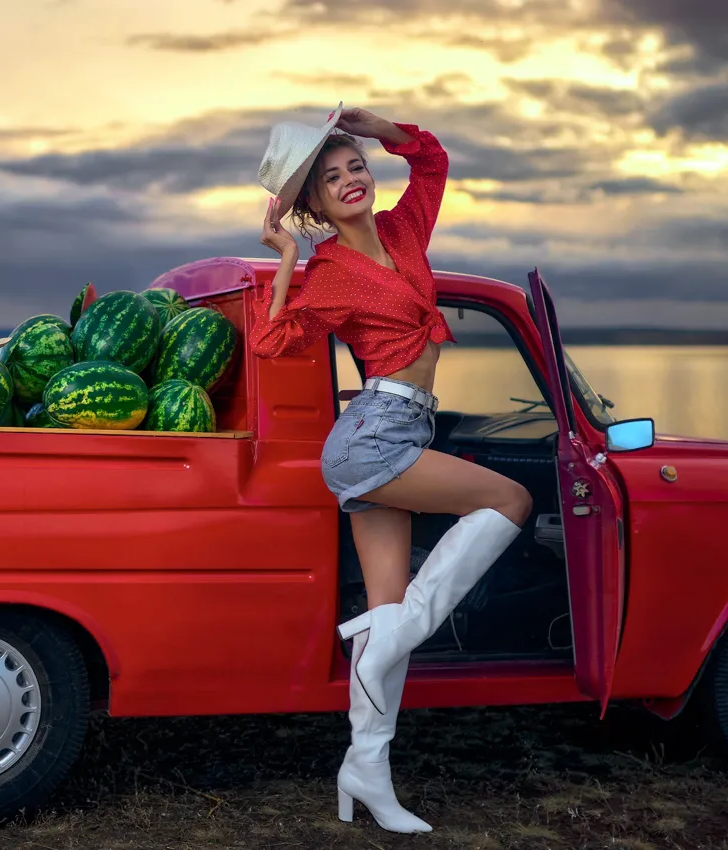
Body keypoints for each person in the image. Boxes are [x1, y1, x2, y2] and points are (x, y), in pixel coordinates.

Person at [250, 103, 533, 834]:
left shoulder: (406, 231)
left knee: (386, 609)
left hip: (403, 424)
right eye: (331, 178)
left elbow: (432, 162)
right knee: (509, 500)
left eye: (356, 168)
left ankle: (365, 769)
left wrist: (377, 125)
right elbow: (273, 342)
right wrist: (283, 253)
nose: (350, 180)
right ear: (312, 202)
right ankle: (396, 633)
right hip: (372, 437)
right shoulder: (328, 271)